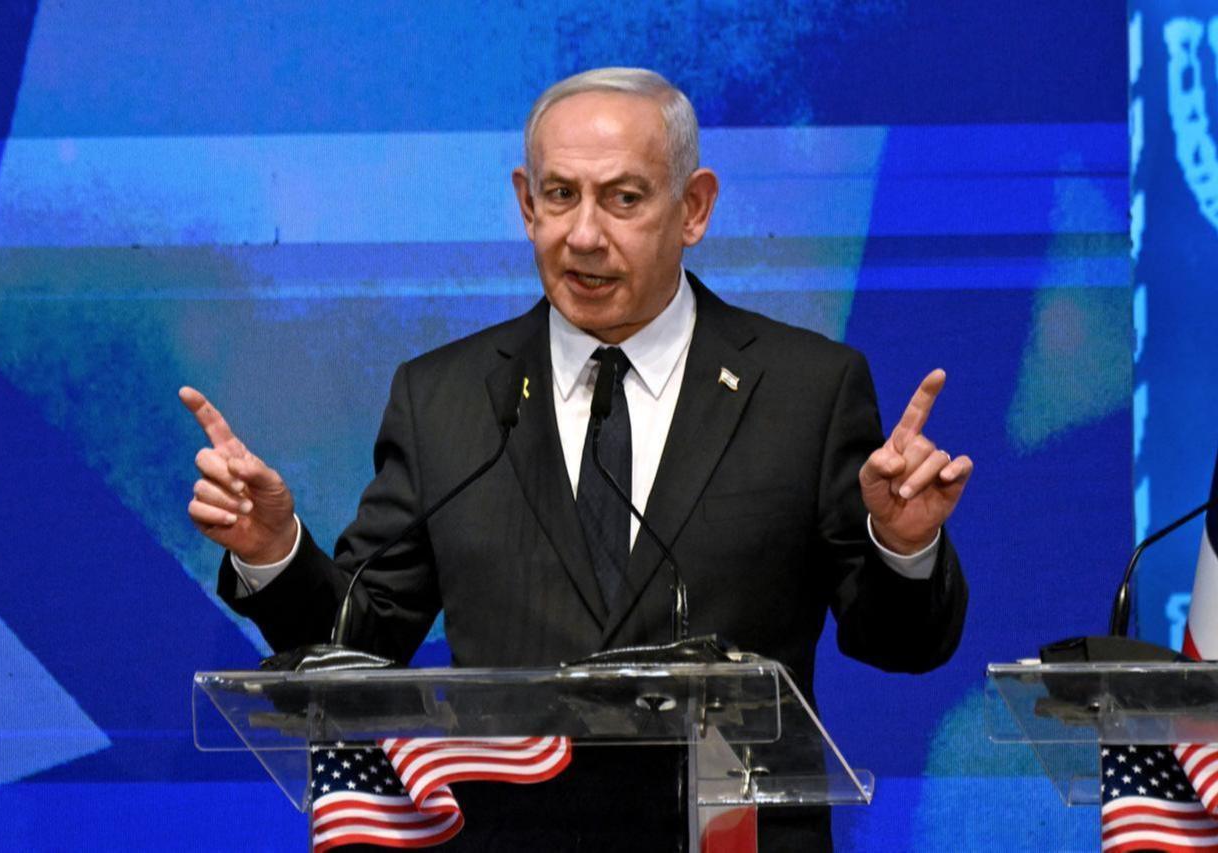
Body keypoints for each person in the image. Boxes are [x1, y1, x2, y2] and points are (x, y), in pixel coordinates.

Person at [182, 67, 970, 851]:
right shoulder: (445, 399)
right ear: (526, 203)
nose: (584, 234)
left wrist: (902, 545)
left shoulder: (806, 389)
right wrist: (273, 552)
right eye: (560, 196)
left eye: (624, 198)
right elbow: (363, 643)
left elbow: (901, 643)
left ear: (693, 207)